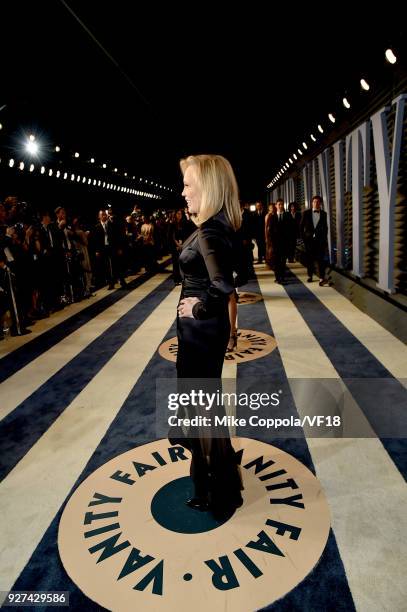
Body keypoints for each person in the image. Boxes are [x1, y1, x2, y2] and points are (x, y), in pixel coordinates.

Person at [171, 154, 244, 520]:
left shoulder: (211, 230)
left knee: (205, 411)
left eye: (188, 184)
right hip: (200, 333)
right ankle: (217, 483)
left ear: (209, 188)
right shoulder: (211, 226)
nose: (182, 191)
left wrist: (197, 309)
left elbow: (223, 284)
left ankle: (218, 493)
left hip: (201, 333)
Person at [300, 195, 329, 285]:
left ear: (320, 204)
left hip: (320, 241)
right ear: (312, 203)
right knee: (310, 259)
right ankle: (310, 275)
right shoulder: (306, 213)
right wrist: (304, 238)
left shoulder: (324, 214)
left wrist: (324, 239)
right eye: (314, 202)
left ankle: (321, 278)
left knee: (321, 260)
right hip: (309, 241)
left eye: (318, 202)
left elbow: (325, 227)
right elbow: (301, 227)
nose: (316, 203)